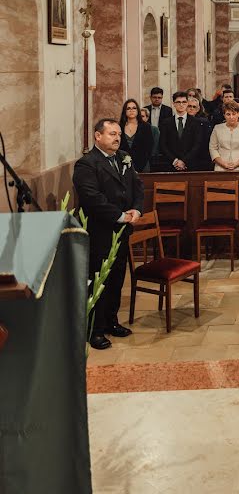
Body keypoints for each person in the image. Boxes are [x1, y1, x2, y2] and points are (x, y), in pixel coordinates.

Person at [73, 119, 144, 350]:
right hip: (100, 231)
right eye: (112, 134)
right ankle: (94, 329)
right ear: (97, 136)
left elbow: (137, 186)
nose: (117, 138)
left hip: (121, 230)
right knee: (98, 280)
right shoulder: (86, 164)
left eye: (119, 134)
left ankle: (111, 321)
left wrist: (136, 209)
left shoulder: (124, 157)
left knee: (116, 279)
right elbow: (92, 198)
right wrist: (120, 215)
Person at [159, 91, 205, 171]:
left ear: (187, 103)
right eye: (178, 102)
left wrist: (184, 161)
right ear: (174, 104)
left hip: (191, 165)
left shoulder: (196, 122)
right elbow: (163, 145)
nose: (181, 104)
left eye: (184, 102)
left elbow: (197, 145)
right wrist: (175, 161)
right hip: (171, 165)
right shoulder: (166, 123)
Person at [208, 101, 239, 172]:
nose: (231, 117)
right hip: (221, 167)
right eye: (228, 114)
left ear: (238, 114)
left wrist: (237, 164)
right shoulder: (217, 128)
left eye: (234, 114)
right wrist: (223, 164)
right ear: (224, 115)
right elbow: (213, 148)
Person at [118, 98, 154, 172]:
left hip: (143, 164)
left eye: (134, 108)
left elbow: (149, 147)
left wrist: (139, 166)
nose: (131, 110)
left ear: (138, 110)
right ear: (125, 111)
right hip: (123, 165)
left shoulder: (146, 126)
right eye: (128, 108)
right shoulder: (119, 127)